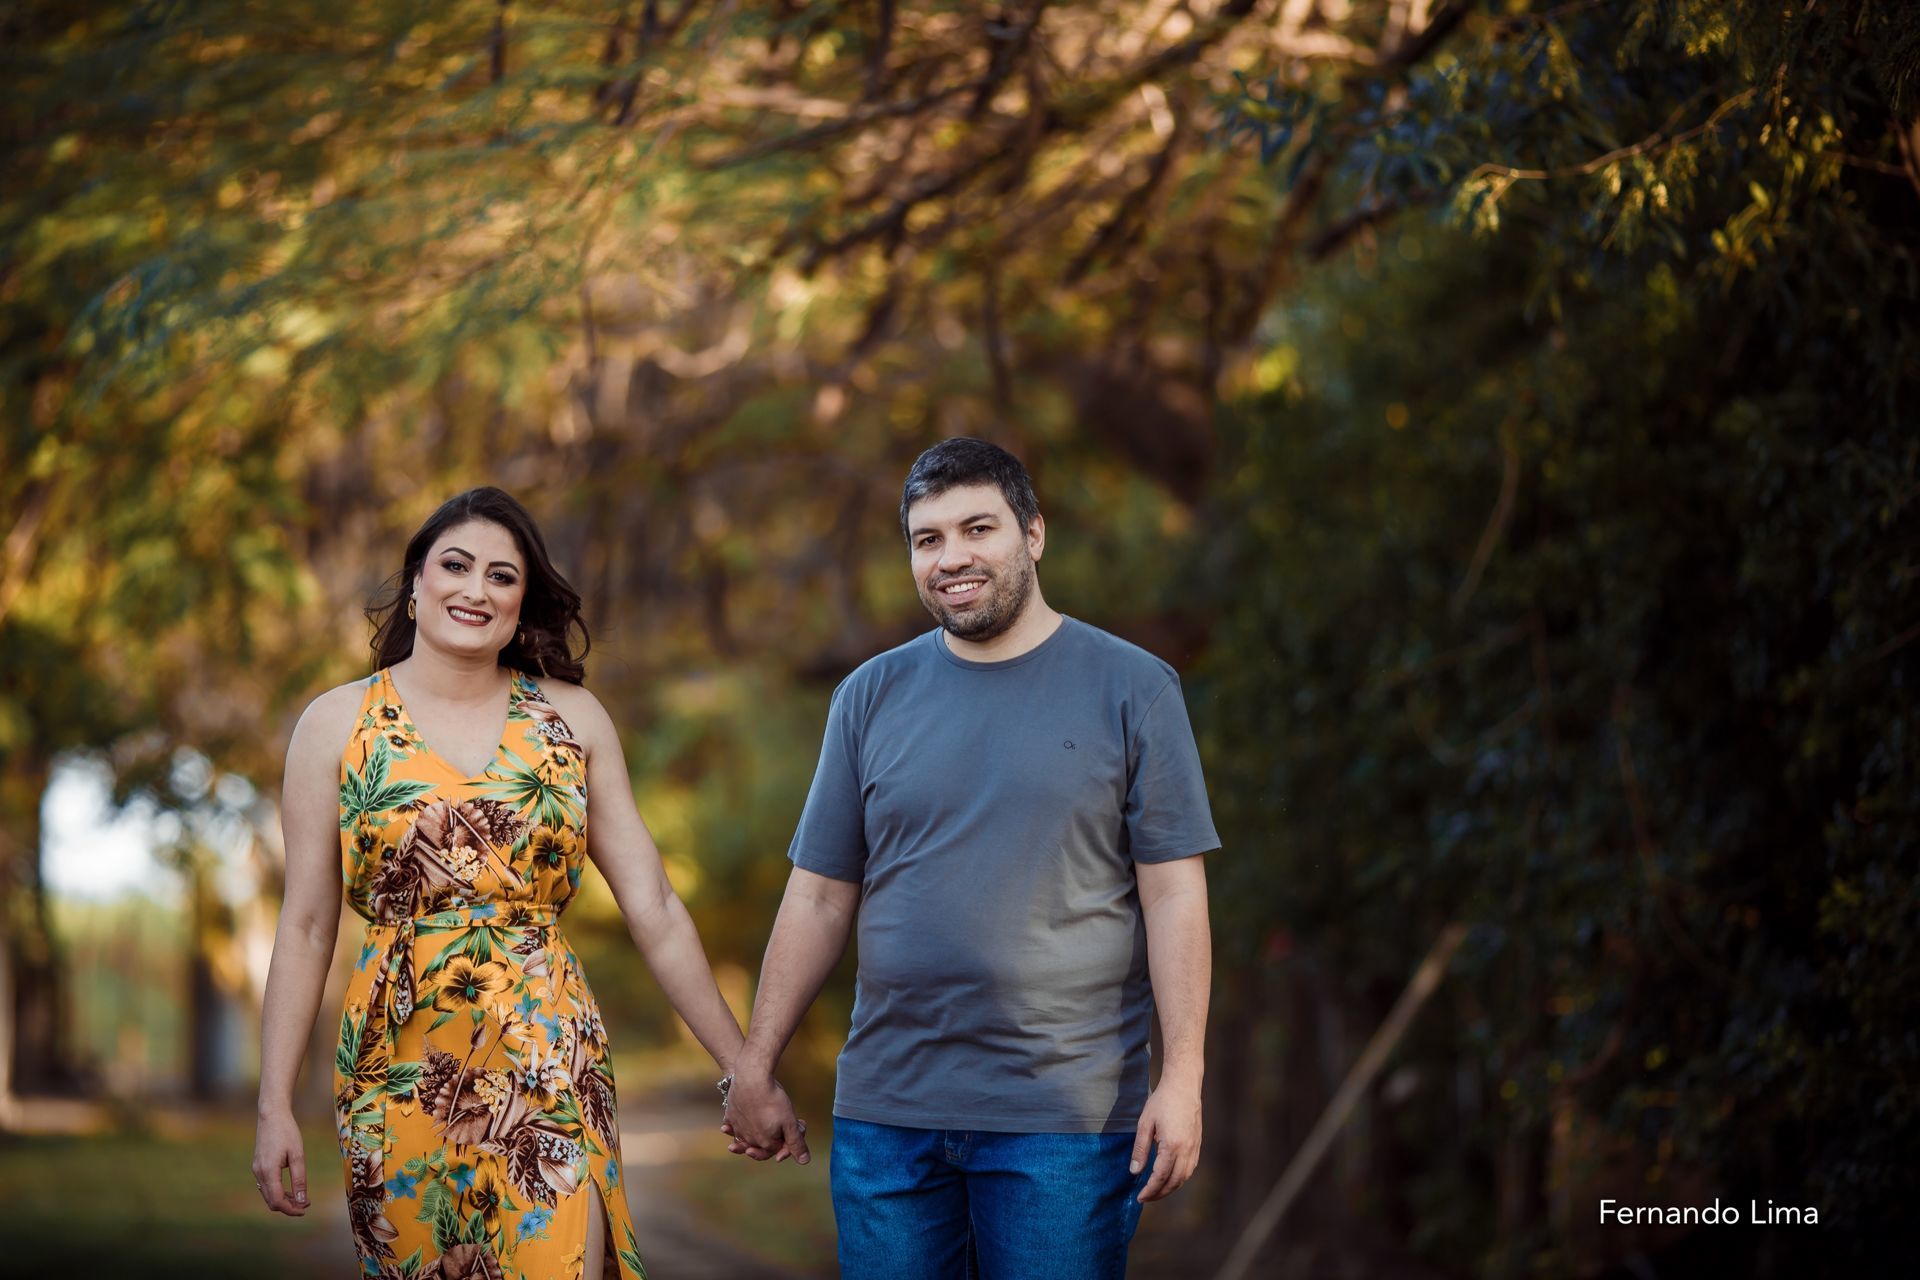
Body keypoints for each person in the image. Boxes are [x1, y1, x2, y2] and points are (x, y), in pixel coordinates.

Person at [722, 438, 1219, 1279]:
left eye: (975, 528)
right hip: (888, 1118)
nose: (951, 557)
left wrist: (1183, 1081)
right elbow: (816, 899)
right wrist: (753, 1066)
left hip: (1064, 1118)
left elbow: (1175, 896)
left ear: (1032, 533)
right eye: (927, 539)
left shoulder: (1135, 688)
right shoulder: (868, 697)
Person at [253, 486, 774, 1280]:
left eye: (502, 576)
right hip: (397, 1064)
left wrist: (744, 1067)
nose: (475, 589)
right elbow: (307, 928)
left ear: (522, 601)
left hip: (548, 1050)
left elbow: (656, 909)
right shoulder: (336, 724)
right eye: (455, 566)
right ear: (415, 582)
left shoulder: (574, 721)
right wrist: (273, 1104)